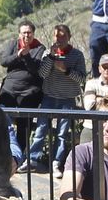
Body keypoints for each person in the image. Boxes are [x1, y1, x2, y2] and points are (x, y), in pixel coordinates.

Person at [36, 23, 87, 175]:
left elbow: (82, 79)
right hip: (49, 97)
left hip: (67, 99)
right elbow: (42, 74)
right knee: (41, 129)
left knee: (62, 133)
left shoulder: (77, 55)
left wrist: (66, 70)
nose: (59, 38)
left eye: (63, 35)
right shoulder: (47, 53)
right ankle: (33, 159)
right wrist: (51, 58)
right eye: (57, 35)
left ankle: (56, 163)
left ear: (69, 37)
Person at [0, 21, 46, 170]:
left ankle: (18, 158)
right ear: (19, 33)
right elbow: (4, 61)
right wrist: (18, 55)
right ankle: (1, 154)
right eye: (24, 32)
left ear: (33, 34)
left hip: (29, 92)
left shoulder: (39, 48)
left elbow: (37, 70)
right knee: (2, 122)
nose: (26, 35)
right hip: (10, 90)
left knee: (24, 127)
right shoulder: (13, 44)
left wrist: (27, 57)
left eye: (29, 32)